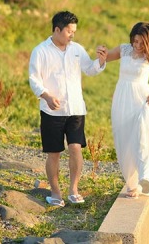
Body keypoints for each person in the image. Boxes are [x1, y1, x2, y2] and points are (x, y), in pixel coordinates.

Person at [28, 11, 107, 207]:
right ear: (57, 29)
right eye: (69, 31)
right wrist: (46, 96)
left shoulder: (77, 49)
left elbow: (90, 69)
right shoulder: (40, 51)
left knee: (75, 148)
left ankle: (74, 190)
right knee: (54, 152)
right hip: (51, 111)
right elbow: (34, 79)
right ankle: (55, 193)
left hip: (76, 109)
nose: (72, 35)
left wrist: (101, 61)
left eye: (74, 31)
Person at [99, 22, 149, 198]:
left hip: (141, 99)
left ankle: (146, 176)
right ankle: (131, 184)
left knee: (143, 136)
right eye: (135, 41)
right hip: (122, 99)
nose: (137, 46)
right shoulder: (124, 49)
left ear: (148, 42)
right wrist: (101, 52)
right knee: (124, 140)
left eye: (141, 43)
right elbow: (105, 58)